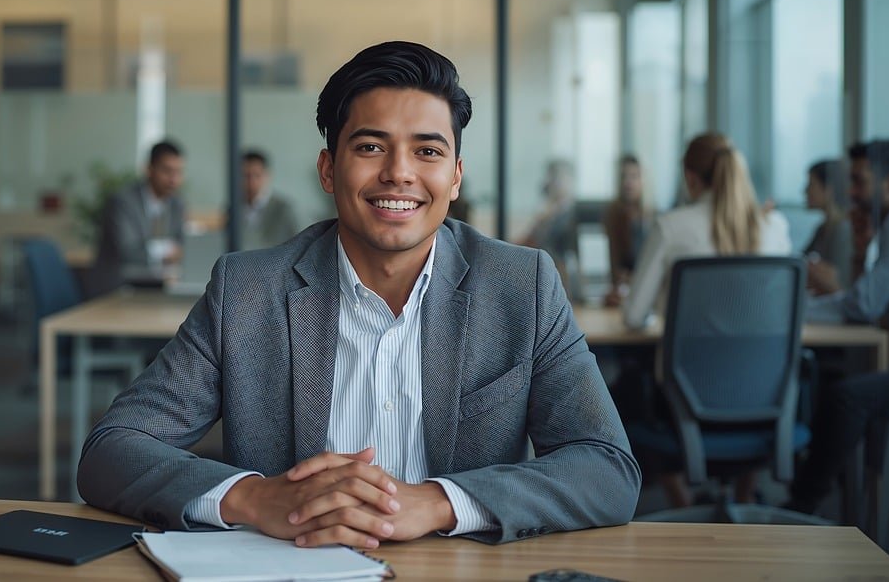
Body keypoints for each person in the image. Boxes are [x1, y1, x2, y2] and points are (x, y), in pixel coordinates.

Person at [79, 41, 640, 547]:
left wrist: (439, 503)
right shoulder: (248, 292)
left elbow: (607, 468)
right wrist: (253, 498)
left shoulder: (523, 286)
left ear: (457, 176)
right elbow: (111, 449)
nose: (399, 174)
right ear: (328, 169)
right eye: (371, 147)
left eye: (427, 151)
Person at [620, 133, 790, 508]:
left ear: (691, 177)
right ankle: (745, 500)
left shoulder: (672, 226)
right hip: (762, 393)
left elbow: (633, 316)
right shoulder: (774, 226)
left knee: (625, 386)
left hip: (682, 395)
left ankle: (682, 506)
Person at [789, 139, 889, 514]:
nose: (852, 193)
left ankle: (802, 506)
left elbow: (863, 304)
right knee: (837, 386)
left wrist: (798, 310)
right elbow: (870, 304)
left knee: (844, 397)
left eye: (859, 182)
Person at [89, 140, 186, 295]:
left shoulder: (176, 204)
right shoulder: (122, 201)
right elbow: (128, 251)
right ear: (149, 169)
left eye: (178, 172)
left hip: (158, 286)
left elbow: (181, 246)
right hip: (118, 288)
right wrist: (166, 250)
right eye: (167, 171)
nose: (173, 179)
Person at [520, 160, 578, 295]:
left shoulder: (568, 214)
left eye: (554, 177)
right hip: (542, 271)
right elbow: (528, 240)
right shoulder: (548, 213)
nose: (548, 182)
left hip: (558, 276)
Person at [602, 155, 652, 308]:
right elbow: (614, 266)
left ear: (643, 180)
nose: (628, 182)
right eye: (624, 176)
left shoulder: (653, 218)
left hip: (648, 289)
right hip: (623, 292)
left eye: (634, 176)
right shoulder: (613, 214)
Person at [802, 159, 853, 294]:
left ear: (828, 189)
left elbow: (839, 286)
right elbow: (800, 262)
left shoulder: (843, 230)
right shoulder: (823, 229)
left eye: (811, 184)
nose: (805, 191)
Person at [240, 150, 299, 249]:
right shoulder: (233, 209)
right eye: (245, 176)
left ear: (267, 176)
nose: (251, 182)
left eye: (256, 175)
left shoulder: (285, 210)